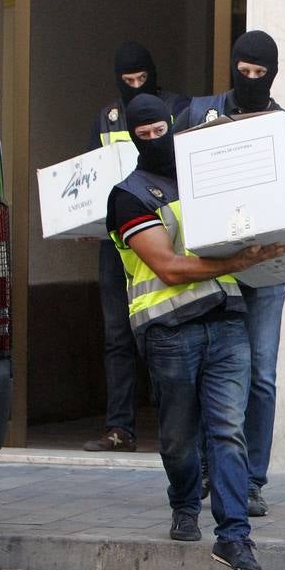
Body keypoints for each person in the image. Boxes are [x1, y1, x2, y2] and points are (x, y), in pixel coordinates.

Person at [106, 93, 285, 570]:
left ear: (172, 125)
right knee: (180, 440)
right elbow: (166, 266)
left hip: (227, 321)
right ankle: (184, 503)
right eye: (142, 136)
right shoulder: (128, 196)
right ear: (133, 138)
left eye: (159, 130)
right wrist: (237, 262)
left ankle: (233, 535)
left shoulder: (205, 180)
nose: (153, 140)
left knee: (228, 431)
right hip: (169, 332)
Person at [180, 30, 285, 516]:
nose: (249, 81)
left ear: (273, 74)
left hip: (266, 272)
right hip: (212, 271)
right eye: (242, 72)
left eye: (258, 75)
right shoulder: (198, 116)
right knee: (211, 372)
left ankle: (251, 481)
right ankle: (208, 467)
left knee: (260, 376)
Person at [84, 41, 190, 453]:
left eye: (141, 80)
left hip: (167, 233)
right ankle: (120, 428)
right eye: (126, 82)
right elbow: (90, 175)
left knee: (171, 332)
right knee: (117, 335)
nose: (134, 88)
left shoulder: (180, 108)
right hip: (119, 241)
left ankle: (175, 432)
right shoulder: (107, 118)